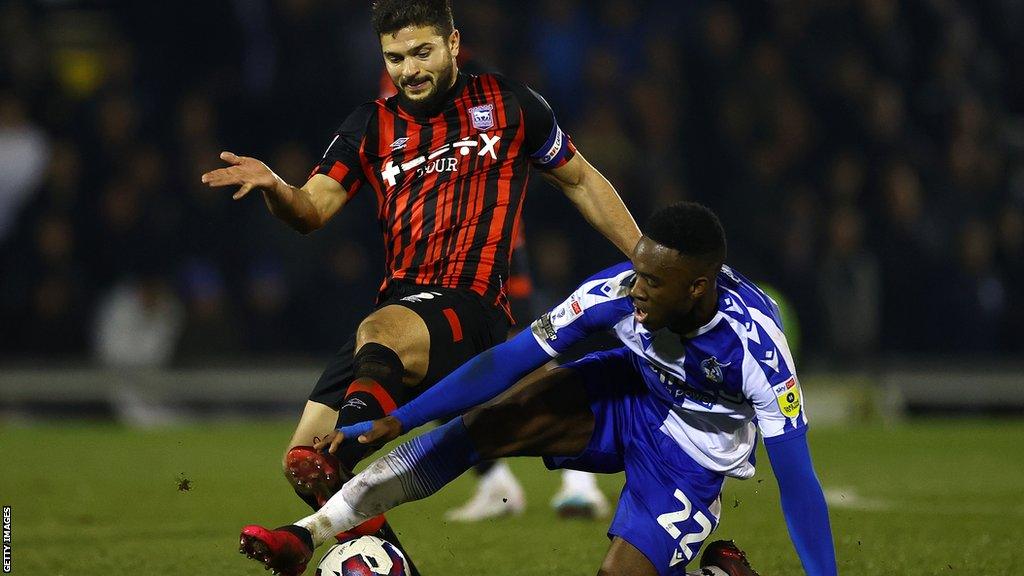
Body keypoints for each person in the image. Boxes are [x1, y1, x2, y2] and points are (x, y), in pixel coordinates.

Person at [202, 0, 639, 567]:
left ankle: (351, 450)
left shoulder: (509, 105)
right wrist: (276, 188)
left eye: (421, 52)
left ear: (454, 44)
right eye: (395, 58)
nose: (409, 69)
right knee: (303, 463)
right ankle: (389, 558)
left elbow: (580, 181)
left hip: (473, 307)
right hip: (398, 319)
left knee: (363, 377)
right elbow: (310, 211)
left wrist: (646, 256)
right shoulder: (370, 125)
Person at [239, 202, 837, 576]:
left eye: (655, 282)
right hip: (624, 394)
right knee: (487, 424)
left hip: (691, 457)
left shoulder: (757, 349)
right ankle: (307, 534)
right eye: (638, 272)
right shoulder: (619, 292)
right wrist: (405, 416)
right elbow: (508, 360)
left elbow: (798, 482)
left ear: (698, 289)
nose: (637, 292)